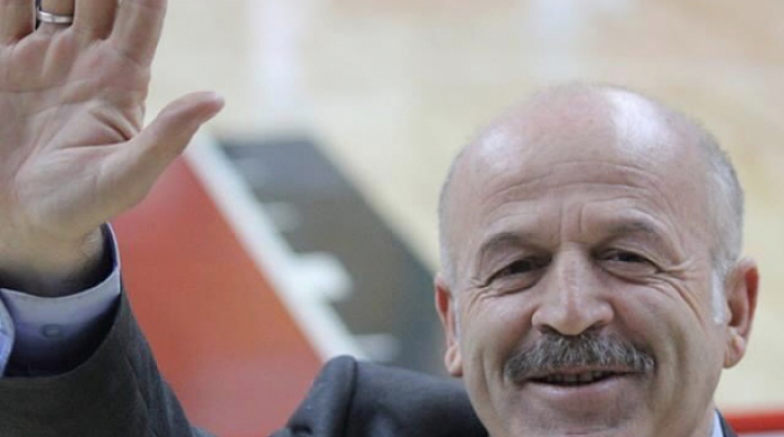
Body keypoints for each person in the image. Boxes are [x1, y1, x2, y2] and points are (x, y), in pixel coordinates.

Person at [0, 0, 759, 437]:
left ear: (736, 308)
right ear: (452, 323)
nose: (567, 311)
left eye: (627, 256)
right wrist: (44, 254)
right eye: (515, 267)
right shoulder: (368, 424)